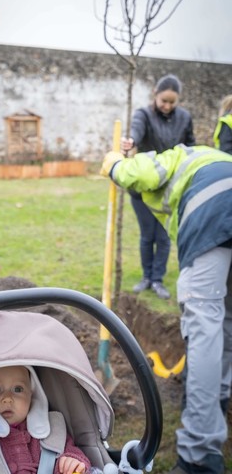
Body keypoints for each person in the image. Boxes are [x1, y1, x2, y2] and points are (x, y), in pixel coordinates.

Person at [100, 143, 232, 474]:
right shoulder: (216, 158)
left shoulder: (171, 158)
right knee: (227, 327)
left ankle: (198, 455)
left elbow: (139, 172)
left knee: (204, 326)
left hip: (213, 213)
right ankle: (216, 405)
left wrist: (115, 164)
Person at [121, 74, 195, 300]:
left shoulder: (184, 117)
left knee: (163, 236)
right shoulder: (143, 114)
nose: (167, 105)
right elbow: (136, 131)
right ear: (155, 94)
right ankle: (146, 276)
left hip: (169, 188)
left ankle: (157, 279)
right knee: (147, 235)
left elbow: (190, 144)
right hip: (143, 187)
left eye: (172, 102)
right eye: (164, 100)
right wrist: (131, 142)